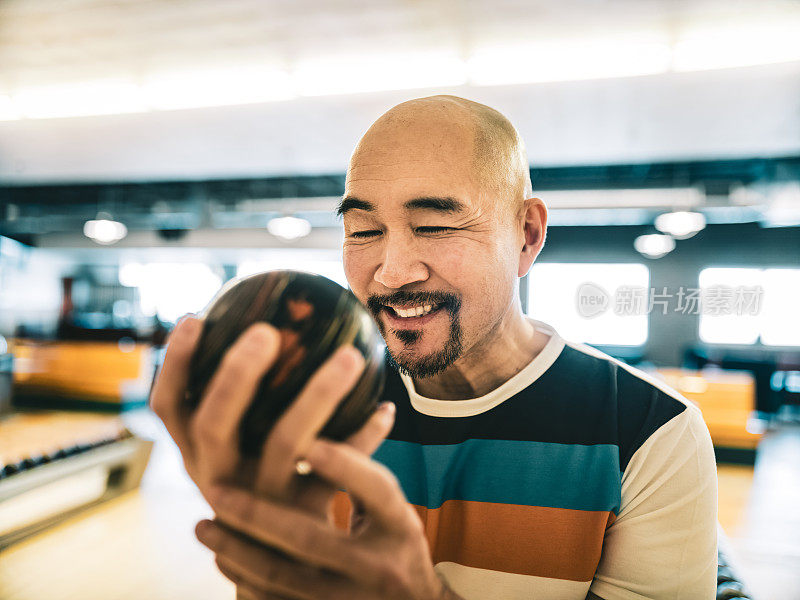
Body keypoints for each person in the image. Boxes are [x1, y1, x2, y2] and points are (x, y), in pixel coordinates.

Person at [150, 95, 718, 599]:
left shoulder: (651, 433)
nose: (392, 273)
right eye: (364, 231)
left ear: (527, 235)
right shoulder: (314, 402)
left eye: (436, 226)